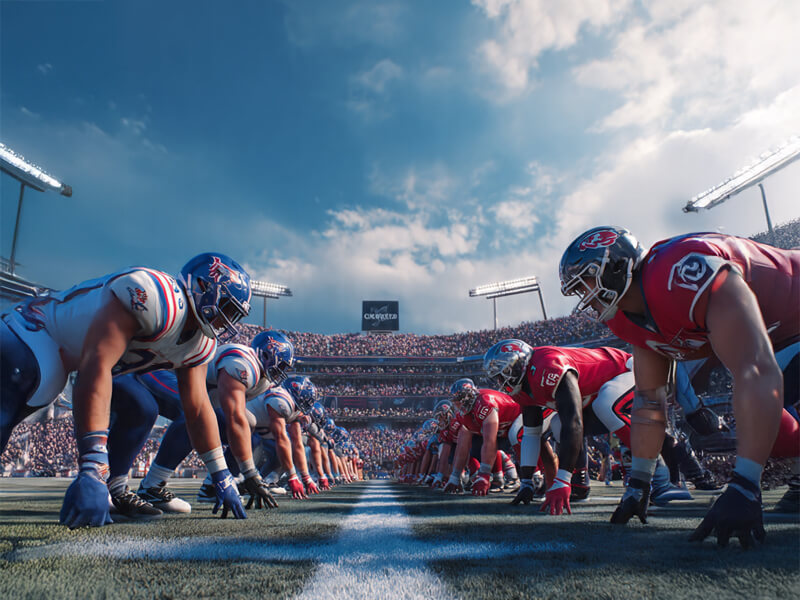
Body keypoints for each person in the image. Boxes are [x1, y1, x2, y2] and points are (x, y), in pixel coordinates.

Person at [559, 226, 800, 547]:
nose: (584, 298)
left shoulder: (681, 271)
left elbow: (755, 369)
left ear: (615, 267)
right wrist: (639, 483)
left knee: (761, 407)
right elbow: (649, 401)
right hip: (780, 337)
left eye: (585, 283)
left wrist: (745, 485)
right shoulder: (626, 317)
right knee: (772, 428)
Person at [0, 253, 253, 527]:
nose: (228, 321)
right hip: (36, 330)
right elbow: (95, 366)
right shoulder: (155, 298)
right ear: (202, 286)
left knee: (141, 408)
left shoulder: (200, 344)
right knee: (34, 384)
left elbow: (198, 408)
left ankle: (115, 488)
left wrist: (221, 474)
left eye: (234, 314)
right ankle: (98, 478)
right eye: (226, 307)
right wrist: (92, 466)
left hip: (84, 359)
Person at [123, 330, 294, 514]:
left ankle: (211, 487)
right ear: (266, 355)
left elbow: (238, 419)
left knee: (248, 429)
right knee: (192, 411)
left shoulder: (262, 380)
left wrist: (247, 473)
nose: (281, 371)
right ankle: (152, 485)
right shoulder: (244, 362)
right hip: (164, 374)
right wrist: (250, 474)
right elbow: (234, 417)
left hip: (195, 390)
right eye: (281, 365)